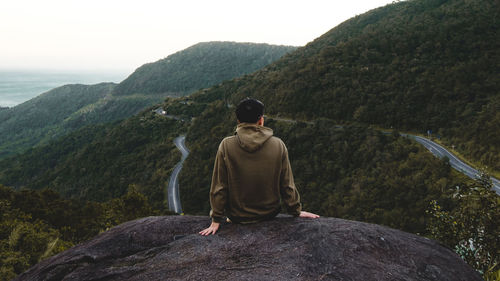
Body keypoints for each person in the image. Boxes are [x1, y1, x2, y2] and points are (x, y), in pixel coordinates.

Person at [199, 97, 319, 236]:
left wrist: (216, 219)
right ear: (261, 120)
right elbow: (287, 184)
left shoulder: (226, 145)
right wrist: (295, 210)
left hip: (238, 217)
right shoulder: (278, 144)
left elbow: (220, 187)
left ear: (238, 121)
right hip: (269, 214)